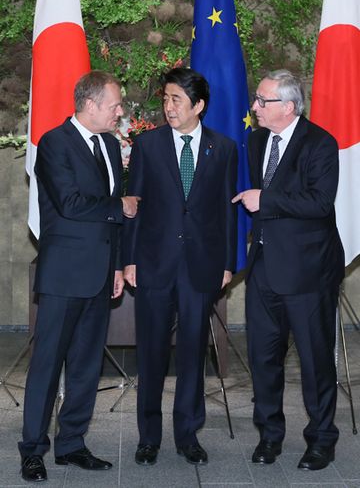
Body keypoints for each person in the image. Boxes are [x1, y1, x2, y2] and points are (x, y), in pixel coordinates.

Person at [18, 70, 139, 482]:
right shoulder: (54, 143)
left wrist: (120, 264)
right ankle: (33, 450)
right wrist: (118, 205)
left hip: (101, 274)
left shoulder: (107, 143)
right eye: (115, 105)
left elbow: (113, 223)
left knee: (87, 367)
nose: (120, 112)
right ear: (90, 105)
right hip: (66, 276)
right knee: (48, 366)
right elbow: (70, 203)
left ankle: (71, 444)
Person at [123, 67, 238, 466]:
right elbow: (133, 206)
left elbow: (227, 210)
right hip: (154, 264)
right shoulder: (147, 145)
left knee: (192, 353)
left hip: (201, 267)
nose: (168, 107)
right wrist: (129, 259)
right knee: (152, 353)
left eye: (177, 100)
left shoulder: (223, 149)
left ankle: (188, 435)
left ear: (199, 106)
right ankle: (148, 437)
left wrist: (227, 263)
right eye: (166, 98)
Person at [232, 69, 344, 471]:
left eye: (263, 101)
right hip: (263, 268)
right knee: (263, 358)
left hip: (308, 270)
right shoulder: (257, 137)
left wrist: (268, 199)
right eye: (256, 100)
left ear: (289, 106)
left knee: (315, 362)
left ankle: (321, 441)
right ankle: (269, 436)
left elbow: (319, 204)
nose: (255, 107)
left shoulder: (320, 143)